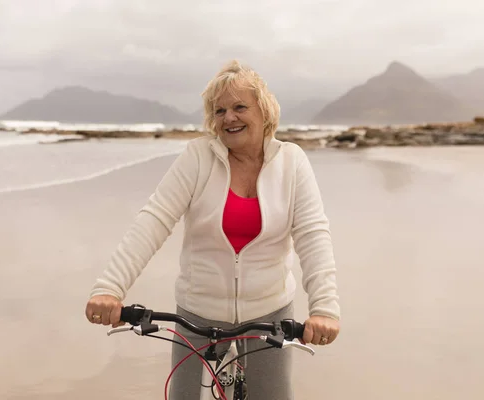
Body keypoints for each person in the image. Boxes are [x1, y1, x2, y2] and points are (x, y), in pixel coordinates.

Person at [85, 60, 340, 399]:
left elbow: (312, 235)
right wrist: (109, 289)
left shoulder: (291, 162)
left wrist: (324, 308)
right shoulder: (198, 157)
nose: (228, 118)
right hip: (198, 313)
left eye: (239, 107)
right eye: (219, 111)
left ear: (264, 112)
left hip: (270, 313)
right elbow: (153, 220)